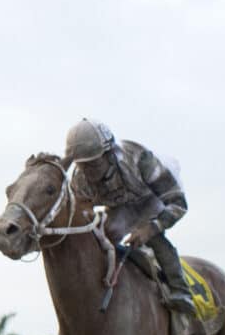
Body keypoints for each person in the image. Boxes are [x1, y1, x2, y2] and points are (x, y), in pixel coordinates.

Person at [63, 119, 196, 316]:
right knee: (104, 234)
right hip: (120, 205)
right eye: (83, 166)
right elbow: (82, 216)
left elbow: (178, 204)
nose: (88, 172)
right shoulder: (79, 179)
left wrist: (149, 229)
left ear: (109, 154)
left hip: (151, 196)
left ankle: (181, 291)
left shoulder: (139, 159)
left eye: (93, 164)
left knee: (153, 238)